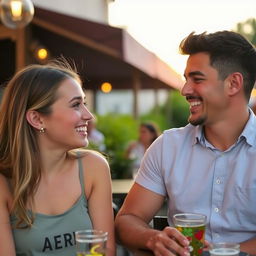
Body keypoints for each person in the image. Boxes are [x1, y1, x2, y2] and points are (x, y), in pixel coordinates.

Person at [115, 30, 256, 256]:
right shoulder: (167, 147)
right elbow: (126, 221)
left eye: (197, 79)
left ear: (233, 83)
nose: (185, 90)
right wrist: (154, 239)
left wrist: (220, 252)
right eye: (186, 79)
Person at [0, 60, 115, 255]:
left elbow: (105, 251)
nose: (88, 115)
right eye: (76, 105)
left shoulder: (94, 168)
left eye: (84, 103)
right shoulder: (4, 183)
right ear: (37, 119)